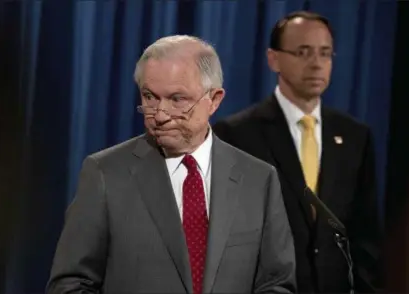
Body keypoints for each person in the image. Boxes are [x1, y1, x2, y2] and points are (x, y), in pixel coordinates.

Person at [46, 35, 297, 294]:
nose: (161, 115)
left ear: (214, 99)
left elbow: (277, 284)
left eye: (177, 99)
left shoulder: (258, 179)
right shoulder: (105, 174)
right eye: (150, 97)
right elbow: (70, 285)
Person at [213, 11, 382, 293]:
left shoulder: (355, 136)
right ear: (273, 59)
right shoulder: (237, 134)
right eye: (303, 52)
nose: (316, 64)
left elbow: (365, 233)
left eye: (325, 53)